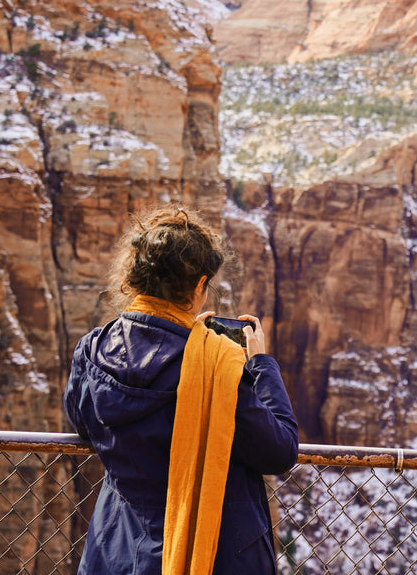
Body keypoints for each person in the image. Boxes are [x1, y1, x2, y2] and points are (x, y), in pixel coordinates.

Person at [65, 205, 299, 575]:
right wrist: (260, 366)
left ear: (135, 278)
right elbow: (280, 450)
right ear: (198, 287)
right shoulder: (216, 366)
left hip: (116, 553)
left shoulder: (92, 350)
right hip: (213, 557)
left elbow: (84, 424)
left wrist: (189, 338)